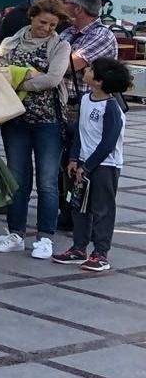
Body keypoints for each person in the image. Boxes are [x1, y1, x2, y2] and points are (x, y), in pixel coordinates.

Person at [0, 0, 71, 259]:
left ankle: (45, 237)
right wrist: (28, 74)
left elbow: (52, 79)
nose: (47, 28)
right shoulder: (10, 41)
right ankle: (15, 233)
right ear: (32, 17)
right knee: (17, 179)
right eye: (43, 22)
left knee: (47, 182)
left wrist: (19, 79)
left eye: (53, 24)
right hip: (15, 120)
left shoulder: (61, 46)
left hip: (48, 122)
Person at [51, 58, 129, 272]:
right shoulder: (86, 99)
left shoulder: (111, 108)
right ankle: (78, 248)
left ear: (99, 81)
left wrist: (88, 166)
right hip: (83, 164)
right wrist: (74, 159)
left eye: (91, 69)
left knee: (101, 209)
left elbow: (108, 142)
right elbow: (80, 132)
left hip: (105, 166)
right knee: (79, 206)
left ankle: (101, 253)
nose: (86, 69)